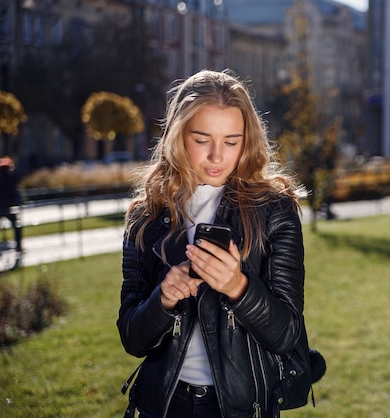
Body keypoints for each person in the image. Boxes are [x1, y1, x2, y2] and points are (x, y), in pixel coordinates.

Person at [117, 69, 307, 418]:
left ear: (246, 140)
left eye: (231, 141)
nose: (218, 156)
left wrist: (238, 287)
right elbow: (132, 339)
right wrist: (164, 298)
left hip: (241, 408)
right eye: (203, 139)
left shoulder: (274, 211)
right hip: (165, 405)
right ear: (178, 136)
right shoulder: (146, 217)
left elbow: (287, 335)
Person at [0, 156, 23, 264]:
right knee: (17, 226)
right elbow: (14, 193)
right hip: (9, 209)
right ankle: (19, 247)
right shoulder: (11, 179)